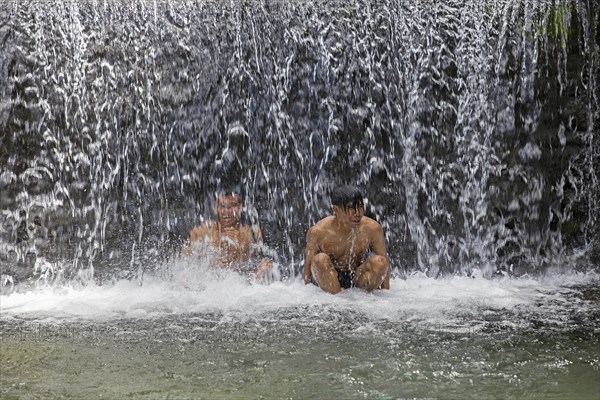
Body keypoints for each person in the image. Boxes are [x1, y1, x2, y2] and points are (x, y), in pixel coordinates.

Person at [303, 185, 390, 294]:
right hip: (328, 279)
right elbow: (308, 271)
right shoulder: (318, 231)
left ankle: (359, 298)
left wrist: (387, 294)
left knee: (381, 262)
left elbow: (385, 267)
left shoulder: (373, 228)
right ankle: (339, 300)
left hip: (357, 276)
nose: (357, 213)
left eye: (360, 207)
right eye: (351, 208)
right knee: (319, 260)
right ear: (336, 210)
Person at [183, 191, 273, 280]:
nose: (226, 211)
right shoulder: (202, 231)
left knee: (266, 264)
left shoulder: (250, 232)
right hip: (210, 280)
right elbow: (186, 259)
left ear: (240, 208)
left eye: (232, 206)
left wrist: (237, 244)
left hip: (242, 281)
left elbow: (253, 261)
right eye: (222, 206)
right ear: (215, 208)